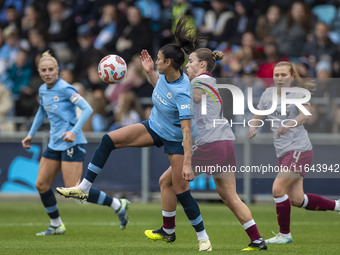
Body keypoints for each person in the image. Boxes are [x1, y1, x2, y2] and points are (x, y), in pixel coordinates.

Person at [56, 17, 212, 251]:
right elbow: (161, 89)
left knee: (179, 188)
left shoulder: (183, 92)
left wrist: (188, 163)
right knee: (109, 139)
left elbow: (187, 130)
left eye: (158, 60)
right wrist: (150, 73)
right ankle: (84, 188)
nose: (155, 62)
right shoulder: (166, 78)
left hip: (178, 140)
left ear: (169, 62)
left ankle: (203, 237)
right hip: (154, 127)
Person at [144, 48, 267, 251]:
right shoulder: (207, 80)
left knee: (166, 181)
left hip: (210, 144)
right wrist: (152, 73)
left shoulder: (199, 81)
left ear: (202, 64)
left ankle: (168, 229)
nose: (186, 65)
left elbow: (195, 96)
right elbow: (169, 94)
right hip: (224, 141)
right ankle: (257, 239)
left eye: (190, 61)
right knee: (230, 196)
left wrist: (176, 77)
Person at [22, 51, 130, 236]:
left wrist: (73, 131)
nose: (47, 73)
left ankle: (117, 204)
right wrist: (30, 134)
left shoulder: (65, 88)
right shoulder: (42, 90)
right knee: (41, 184)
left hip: (72, 143)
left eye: (51, 69)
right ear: (39, 72)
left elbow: (87, 109)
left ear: (58, 70)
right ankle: (56, 225)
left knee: (76, 191)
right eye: (44, 70)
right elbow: (42, 111)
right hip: (55, 144)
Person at [248, 61, 340, 244]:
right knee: (297, 199)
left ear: (291, 77)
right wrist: (253, 126)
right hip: (283, 151)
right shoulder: (268, 94)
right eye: (276, 75)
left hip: (298, 148)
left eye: (283, 75)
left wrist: (288, 124)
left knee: (277, 189)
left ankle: (284, 235)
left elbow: (305, 115)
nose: (279, 78)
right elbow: (259, 113)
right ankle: (337, 205)